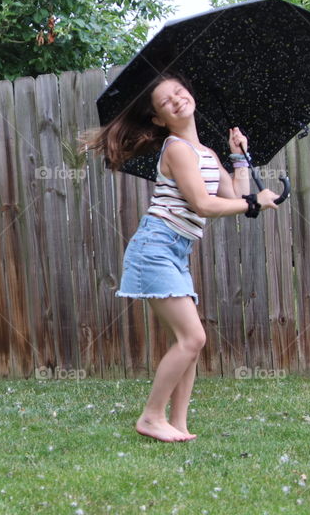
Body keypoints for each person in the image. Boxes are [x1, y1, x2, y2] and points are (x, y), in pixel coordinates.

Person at [82, 74, 280, 442]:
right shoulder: (176, 150)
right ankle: (151, 417)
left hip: (176, 251)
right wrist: (254, 201)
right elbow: (204, 204)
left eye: (179, 92)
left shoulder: (206, 154)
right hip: (155, 248)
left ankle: (179, 423)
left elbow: (233, 193)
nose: (176, 100)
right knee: (193, 338)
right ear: (158, 119)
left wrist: (238, 156)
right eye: (164, 102)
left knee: (186, 339)